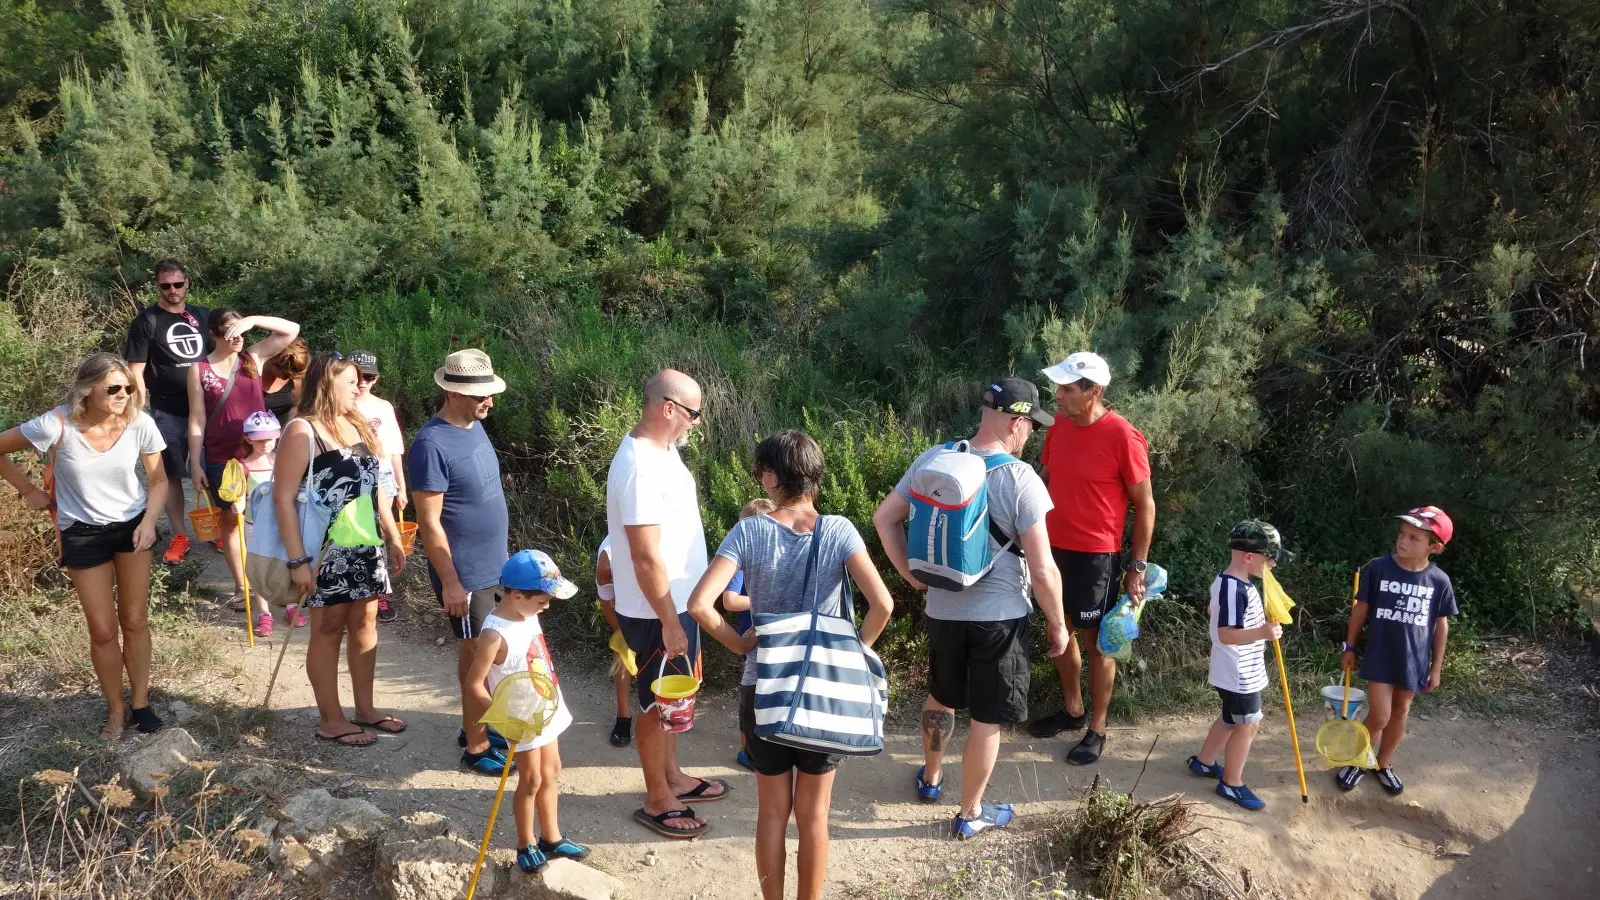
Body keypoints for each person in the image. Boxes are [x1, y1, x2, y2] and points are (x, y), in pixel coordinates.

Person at [689, 430, 894, 900]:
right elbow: (881, 604)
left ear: (771, 476)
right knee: (815, 815)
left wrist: (740, 646)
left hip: (764, 688)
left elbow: (701, 604)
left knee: (771, 813)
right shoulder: (839, 530)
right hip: (826, 692)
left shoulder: (750, 530)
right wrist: (855, 650)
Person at [872, 378, 1070, 838]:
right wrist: (1058, 626)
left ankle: (931, 777)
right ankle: (970, 814)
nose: (1030, 436)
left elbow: (885, 518)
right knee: (987, 716)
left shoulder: (936, 458)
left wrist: (911, 576)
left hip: (942, 610)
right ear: (1018, 423)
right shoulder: (1020, 478)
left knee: (941, 696)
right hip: (998, 618)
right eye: (1031, 427)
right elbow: (1042, 569)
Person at [0, 353, 168, 740]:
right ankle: (115, 711)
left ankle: (141, 703)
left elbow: (159, 481)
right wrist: (27, 491)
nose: (123, 394)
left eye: (127, 387)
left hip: (132, 528)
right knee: (103, 630)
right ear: (86, 390)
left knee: (136, 619)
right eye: (112, 388)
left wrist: (148, 522)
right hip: (82, 532)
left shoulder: (138, 423)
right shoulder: (55, 424)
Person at [606, 368, 726, 838]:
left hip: (678, 605)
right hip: (658, 610)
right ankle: (657, 797)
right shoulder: (639, 464)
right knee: (658, 705)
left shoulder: (664, 450)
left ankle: (674, 777)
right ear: (668, 408)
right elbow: (643, 554)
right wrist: (668, 620)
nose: (697, 422)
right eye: (693, 413)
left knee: (676, 700)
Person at [274, 353, 408, 746]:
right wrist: (299, 561)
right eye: (351, 381)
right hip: (326, 550)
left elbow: (376, 485)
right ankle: (331, 720)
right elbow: (283, 500)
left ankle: (365, 710)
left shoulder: (358, 423)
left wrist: (393, 534)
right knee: (328, 630)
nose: (359, 386)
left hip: (365, 545)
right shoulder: (302, 430)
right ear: (326, 384)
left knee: (366, 626)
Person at [1029, 351, 1156, 766]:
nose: (1058, 395)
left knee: (1097, 643)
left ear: (1093, 391)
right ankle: (1072, 709)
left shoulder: (1123, 435)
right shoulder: (1060, 425)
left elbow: (1146, 504)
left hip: (1096, 555)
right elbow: (1045, 478)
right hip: (1051, 548)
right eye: (1059, 387)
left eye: (1067, 389)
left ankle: (1097, 729)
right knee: (1058, 631)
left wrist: (1136, 567)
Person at [408, 349, 514, 775]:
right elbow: (430, 524)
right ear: (452, 392)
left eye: (490, 392)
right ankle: (476, 746)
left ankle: (476, 723)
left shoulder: (472, 426)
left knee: (477, 653)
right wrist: (451, 583)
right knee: (477, 657)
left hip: (493, 567)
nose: (489, 401)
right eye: (480, 395)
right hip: (466, 574)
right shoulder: (430, 444)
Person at [464, 549, 590, 875]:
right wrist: (501, 718)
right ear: (517, 596)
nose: (546, 607)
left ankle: (552, 836)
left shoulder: (527, 613)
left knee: (552, 771)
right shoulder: (494, 634)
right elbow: (474, 684)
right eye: (543, 601)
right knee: (531, 779)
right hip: (521, 719)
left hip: (546, 708)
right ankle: (526, 842)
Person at [1337, 506, 1457, 796]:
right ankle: (1358, 761)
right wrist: (1349, 646)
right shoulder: (1379, 568)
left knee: (1401, 710)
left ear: (1435, 546)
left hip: (1414, 660)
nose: (1403, 540)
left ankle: (1383, 764)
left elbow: (1441, 625)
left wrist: (1436, 666)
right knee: (1379, 715)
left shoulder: (1439, 581)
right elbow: (1360, 610)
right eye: (1402, 534)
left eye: (1414, 537)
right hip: (1380, 654)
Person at [187, 309, 300, 608]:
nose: (237, 337)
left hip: (260, 454)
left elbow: (291, 330)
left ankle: (276, 581)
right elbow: (197, 419)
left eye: (241, 331)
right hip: (222, 457)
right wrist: (196, 462)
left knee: (273, 515)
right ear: (213, 334)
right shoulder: (199, 370)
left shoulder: (253, 359)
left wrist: (253, 320)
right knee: (232, 520)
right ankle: (243, 587)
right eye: (230, 331)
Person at [1186, 520, 1289, 811]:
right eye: (1269, 560)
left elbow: (1214, 611)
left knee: (1230, 719)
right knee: (1249, 724)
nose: (1272, 566)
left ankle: (1205, 762)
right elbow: (1225, 634)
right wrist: (1263, 632)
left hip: (1237, 670)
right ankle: (1232, 783)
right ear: (1249, 557)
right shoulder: (1235, 589)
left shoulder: (1231, 582)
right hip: (1238, 673)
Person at [124, 259, 210, 565]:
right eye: (165, 285)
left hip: (207, 409)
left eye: (177, 284)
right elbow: (136, 370)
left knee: (212, 469)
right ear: (157, 286)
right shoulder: (147, 321)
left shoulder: (202, 316)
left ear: (187, 283)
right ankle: (179, 534)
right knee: (170, 473)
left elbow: (219, 357)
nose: (172, 290)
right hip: (166, 410)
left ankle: (216, 529)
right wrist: (138, 410)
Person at [348, 350, 408, 624]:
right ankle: (353, 592)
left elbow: (394, 448)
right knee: (357, 534)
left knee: (383, 535)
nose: (362, 383)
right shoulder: (340, 406)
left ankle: (380, 593)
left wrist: (401, 486)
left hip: (382, 473)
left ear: (376, 379)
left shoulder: (383, 407)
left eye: (368, 377)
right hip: (351, 475)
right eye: (357, 376)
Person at [724, 496, 777, 772]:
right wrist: (762, 601)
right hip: (752, 637)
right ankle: (746, 749)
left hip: (774, 635)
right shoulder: (740, 565)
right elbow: (729, 600)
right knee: (750, 691)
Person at [237, 410, 293, 637]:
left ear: (277, 436)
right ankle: (263, 612)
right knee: (260, 567)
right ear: (248, 438)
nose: (265, 444)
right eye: (259, 439)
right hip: (254, 525)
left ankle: (291, 604)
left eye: (269, 439)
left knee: (287, 561)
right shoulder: (243, 466)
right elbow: (238, 491)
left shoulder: (283, 460)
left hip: (282, 523)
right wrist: (238, 503)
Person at [594, 537, 634, 748]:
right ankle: (623, 716)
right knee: (622, 654)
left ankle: (662, 711)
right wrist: (622, 632)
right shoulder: (607, 558)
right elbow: (608, 604)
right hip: (625, 608)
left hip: (658, 601)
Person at [262, 338, 309, 424]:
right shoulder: (254, 373)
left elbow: (295, 407)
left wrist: (286, 429)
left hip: (282, 433)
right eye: (286, 374)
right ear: (275, 363)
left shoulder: (295, 380)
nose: (290, 377)